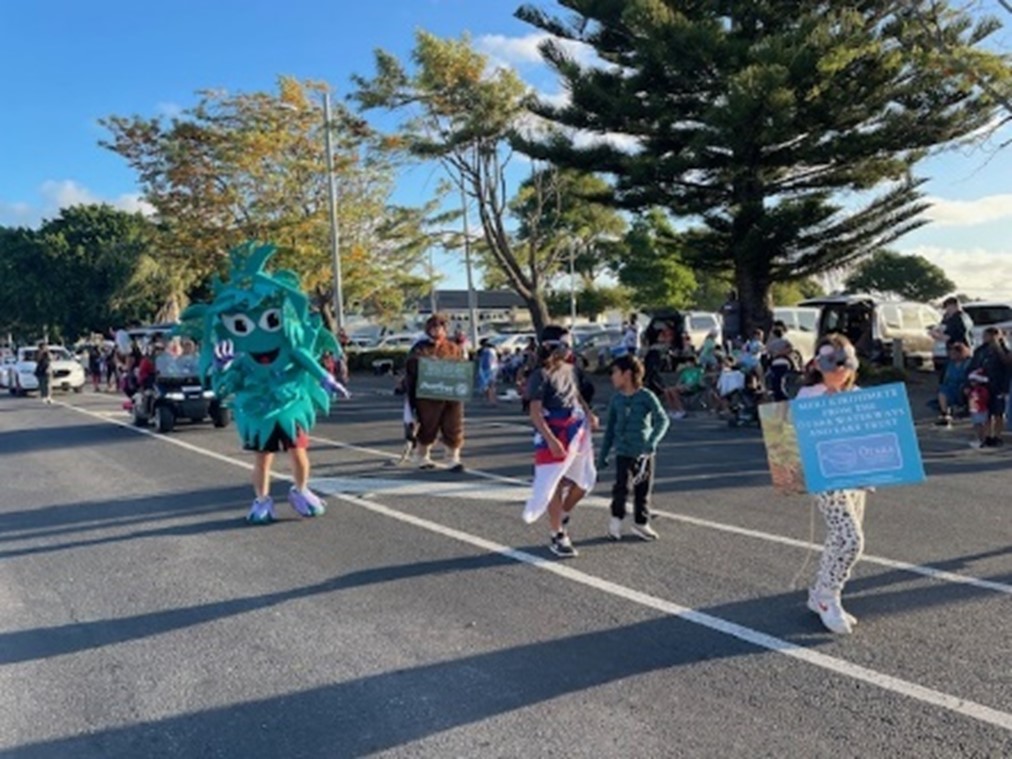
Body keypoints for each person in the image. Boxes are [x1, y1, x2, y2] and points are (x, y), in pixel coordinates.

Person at [183, 241, 346, 525]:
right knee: (263, 459)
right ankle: (261, 500)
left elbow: (306, 358)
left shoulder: (290, 348)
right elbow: (224, 388)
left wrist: (327, 378)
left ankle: (302, 490)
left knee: (298, 452)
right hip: (257, 413)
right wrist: (221, 367)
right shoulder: (242, 359)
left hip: (290, 406)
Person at [798, 334, 868, 635]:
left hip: (855, 479)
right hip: (827, 479)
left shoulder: (860, 396)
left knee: (841, 538)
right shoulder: (809, 396)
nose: (839, 369)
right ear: (818, 365)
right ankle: (828, 597)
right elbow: (794, 439)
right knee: (851, 538)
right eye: (831, 364)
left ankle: (820, 592)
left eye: (845, 363)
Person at [521, 325, 599, 558]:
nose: (569, 350)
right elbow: (535, 413)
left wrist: (589, 412)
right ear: (552, 347)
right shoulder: (540, 375)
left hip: (575, 430)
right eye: (566, 345)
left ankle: (562, 514)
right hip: (553, 433)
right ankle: (557, 533)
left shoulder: (571, 370)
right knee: (551, 484)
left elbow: (577, 396)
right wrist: (552, 440)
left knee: (585, 480)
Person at [597, 354, 670, 540]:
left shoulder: (646, 396)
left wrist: (652, 442)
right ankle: (616, 520)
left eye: (615, 372)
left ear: (627, 374)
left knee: (642, 489)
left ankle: (641, 523)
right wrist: (602, 455)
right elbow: (610, 430)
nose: (612, 377)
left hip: (643, 453)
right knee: (620, 487)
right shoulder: (616, 400)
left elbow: (662, 420)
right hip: (622, 451)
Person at [404, 314, 467, 471]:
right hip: (428, 395)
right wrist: (428, 363)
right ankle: (422, 456)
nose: (436, 330)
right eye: (433, 327)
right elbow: (411, 365)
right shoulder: (420, 347)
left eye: (440, 327)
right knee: (428, 425)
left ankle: (453, 457)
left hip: (451, 395)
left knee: (454, 424)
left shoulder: (453, 348)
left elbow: (462, 367)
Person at [967, 327, 1008, 447]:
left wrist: (1005, 388)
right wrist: (971, 381)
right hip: (983, 387)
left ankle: (997, 436)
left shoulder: (1004, 351)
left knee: (998, 413)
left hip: (998, 385)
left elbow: (1007, 367)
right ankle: (988, 436)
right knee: (986, 413)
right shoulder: (980, 351)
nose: (985, 338)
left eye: (988, 336)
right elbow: (973, 366)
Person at [935, 342, 971, 427]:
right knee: (942, 390)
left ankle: (966, 408)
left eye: (954, 353)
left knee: (965, 390)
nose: (951, 355)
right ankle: (945, 414)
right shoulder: (950, 364)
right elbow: (944, 377)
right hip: (950, 385)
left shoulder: (968, 363)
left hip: (963, 386)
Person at [965, 370, 991, 449]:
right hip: (974, 410)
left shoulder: (981, 390)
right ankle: (978, 439)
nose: (971, 383)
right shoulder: (973, 390)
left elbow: (984, 399)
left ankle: (981, 440)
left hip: (980, 410)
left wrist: (976, 398)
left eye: (973, 381)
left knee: (980, 426)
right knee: (976, 426)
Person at [476, 338, 499, 404]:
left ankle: (490, 399)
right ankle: (492, 399)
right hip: (493, 368)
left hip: (485, 369)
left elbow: (478, 359)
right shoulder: (493, 350)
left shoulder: (482, 351)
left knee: (486, 385)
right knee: (492, 385)